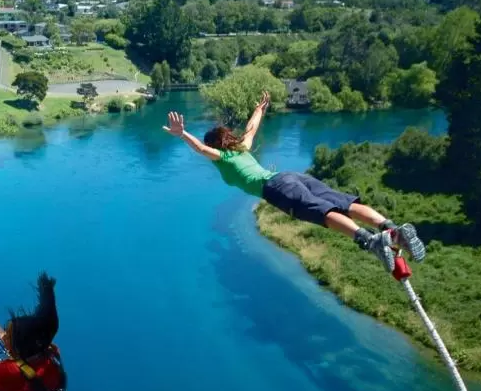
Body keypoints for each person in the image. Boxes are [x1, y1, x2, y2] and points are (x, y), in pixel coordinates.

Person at [163, 92, 426, 271]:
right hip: (291, 176)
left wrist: (182, 133)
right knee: (344, 203)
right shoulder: (241, 147)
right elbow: (252, 128)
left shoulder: (221, 158)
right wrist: (259, 108)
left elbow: (200, 149)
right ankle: (390, 228)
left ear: (216, 146)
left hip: (276, 188)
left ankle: (369, 241)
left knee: (322, 212)